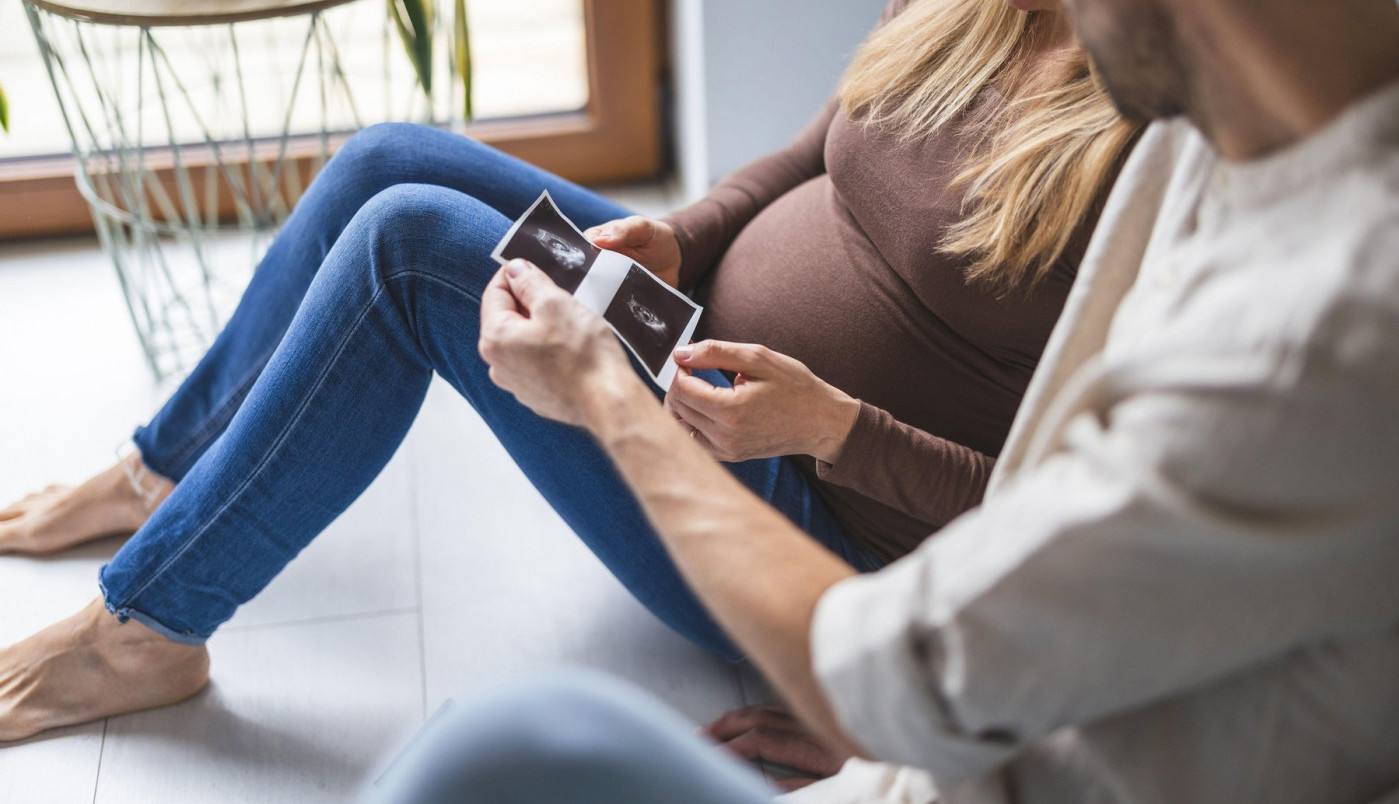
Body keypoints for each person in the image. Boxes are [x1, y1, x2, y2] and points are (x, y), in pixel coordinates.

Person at [0, 0, 1140, 741]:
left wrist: (834, 435)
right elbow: (817, 152)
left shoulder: (1154, 147)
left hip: (809, 520)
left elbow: (1088, 523)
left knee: (410, 247)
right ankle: (162, 473)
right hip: (692, 332)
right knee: (385, 160)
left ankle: (142, 634)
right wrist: (683, 235)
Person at [382, 0, 1399, 800]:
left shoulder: (1287, 329)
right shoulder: (1227, 132)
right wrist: (688, 236)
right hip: (934, 672)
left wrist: (607, 394)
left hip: (903, 648)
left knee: (484, 752)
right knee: (393, 162)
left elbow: (918, 669)